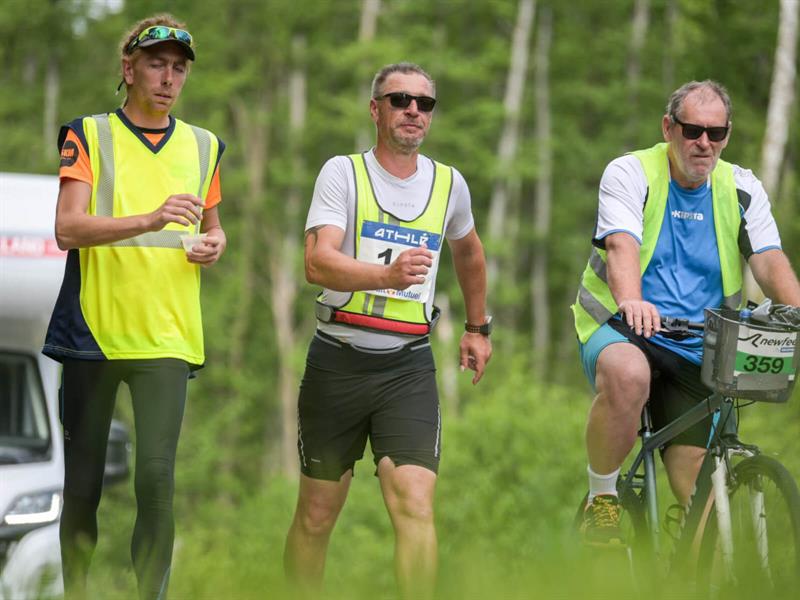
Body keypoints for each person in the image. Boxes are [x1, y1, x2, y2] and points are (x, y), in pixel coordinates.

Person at [283, 62, 492, 598]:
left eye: (425, 103)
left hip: (407, 366)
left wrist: (477, 327)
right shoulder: (343, 173)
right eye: (400, 100)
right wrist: (386, 274)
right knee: (316, 515)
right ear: (376, 109)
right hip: (339, 360)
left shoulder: (449, 183)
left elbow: (469, 253)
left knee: (416, 505)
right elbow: (317, 263)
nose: (414, 111)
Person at [43, 14, 226, 599]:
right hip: (94, 334)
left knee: (156, 482)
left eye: (178, 68)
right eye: (156, 64)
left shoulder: (204, 146)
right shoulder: (89, 135)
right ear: (129, 69)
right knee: (84, 488)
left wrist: (214, 245)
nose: (168, 78)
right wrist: (149, 218)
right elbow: (67, 229)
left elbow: (214, 229)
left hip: (168, 336)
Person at [572, 80, 800, 544]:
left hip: (701, 345)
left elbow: (769, 261)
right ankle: (603, 498)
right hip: (623, 328)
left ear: (727, 136)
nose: (704, 143)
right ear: (668, 127)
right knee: (629, 376)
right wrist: (632, 300)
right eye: (693, 130)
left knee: (703, 497)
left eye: (716, 134)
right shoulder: (632, 172)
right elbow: (621, 246)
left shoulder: (740, 187)